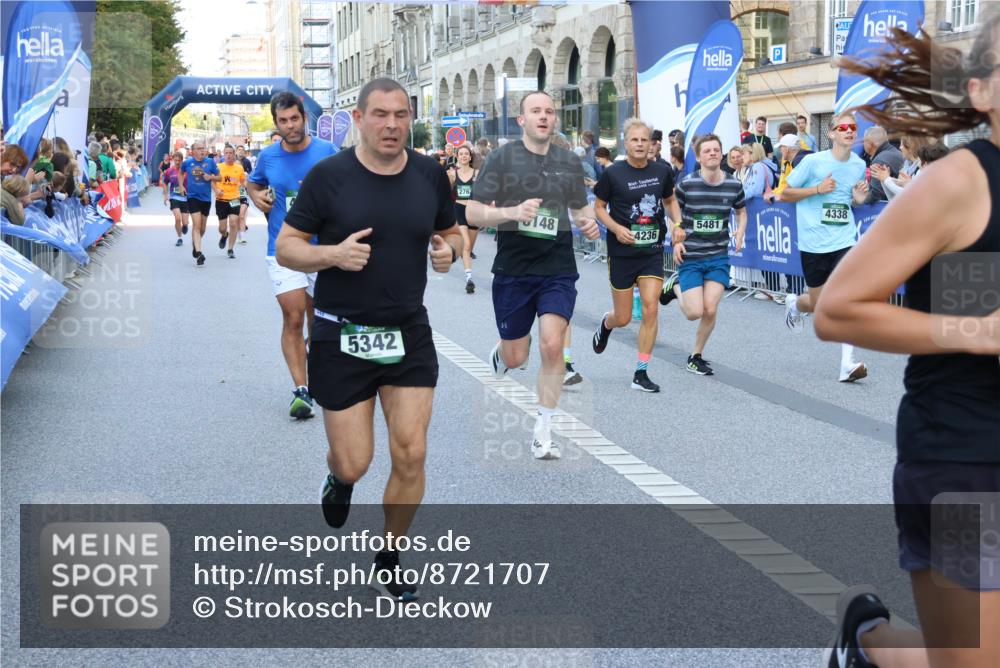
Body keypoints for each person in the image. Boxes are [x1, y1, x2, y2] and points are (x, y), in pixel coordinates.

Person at [814, 13, 1000, 668]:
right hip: (967, 459)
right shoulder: (962, 184)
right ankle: (867, 639)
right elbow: (837, 310)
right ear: (981, 93)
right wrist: (975, 331)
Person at [276, 78, 462, 601]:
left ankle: (390, 552)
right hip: (342, 334)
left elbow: (450, 233)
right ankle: (339, 478)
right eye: (380, 114)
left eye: (401, 115)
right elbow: (288, 248)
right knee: (355, 460)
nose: (391, 125)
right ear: (358, 119)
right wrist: (331, 255)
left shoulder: (428, 173)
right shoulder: (329, 177)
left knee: (412, 452)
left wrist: (448, 251)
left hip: (407, 332)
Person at [466, 90, 600, 461]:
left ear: (554, 120)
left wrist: (588, 225)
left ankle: (544, 427)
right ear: (521, 120)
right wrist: (511, 212)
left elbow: (579, 208)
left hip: (557, 268)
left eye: (549, 111)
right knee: (517, 353)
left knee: (552, 345)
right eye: (535, 111)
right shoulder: (502, 159)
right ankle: (504, 356)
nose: (544, 116)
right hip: (514, 270)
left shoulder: (568, 162)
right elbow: (474, 213)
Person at [245, 91, 338, 420]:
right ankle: (301, 390)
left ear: (304, 118)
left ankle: (314, 367)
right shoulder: (269, 157)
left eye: (294, 119)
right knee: (294, 317)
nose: (290, 125)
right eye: (283, 121)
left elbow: (348, 186)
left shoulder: (327, 152)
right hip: (282, 249)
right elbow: (252, 184)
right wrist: (257, 199)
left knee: (318, 322)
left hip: (322, 249)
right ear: (276, 123)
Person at [779, 111, 871, 382]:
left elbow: (850, 201)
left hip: (844, 240)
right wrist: (817, 189)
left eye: (853, 127)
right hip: (813, 242)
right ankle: (795, 304)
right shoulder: (813, 162)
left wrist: (858, 199)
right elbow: (784, 193)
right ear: (831, 133)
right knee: (821, 303)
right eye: (842, 127)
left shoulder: (857, 164)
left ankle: (847, 364)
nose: (849, 130)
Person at [591, 118, 681, 392]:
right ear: (625, 142)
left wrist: (677, 224)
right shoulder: (613, 173)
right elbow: (598, 207)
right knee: (624, 317)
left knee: (651, 308)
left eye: (645, 139)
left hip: (651, 251)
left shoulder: (662, 171)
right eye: (635, 140)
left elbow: (670, 200)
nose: (640, 144)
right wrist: (616, 229)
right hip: (622, 253)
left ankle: (641, 373)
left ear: (651, 143)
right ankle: (607, 324)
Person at [659, 134, 747, 375]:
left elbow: (741, 212)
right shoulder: (687, 184)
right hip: (692, 256)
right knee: (693, 312)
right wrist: (676, 240)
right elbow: (672, 214)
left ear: (722, 154)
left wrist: (740, 232)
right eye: (707, 150)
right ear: (698, 157)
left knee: (710, 309)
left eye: (716, 150)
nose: (712, 153)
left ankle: (695, 356)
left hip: (718, 256)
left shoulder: (733, 185)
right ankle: (674, 286)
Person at [179, 142, 220, 266]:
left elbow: (220, 177)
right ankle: (199, 253)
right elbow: (180, 173)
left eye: (203, 148)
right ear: (193, 151)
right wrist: (181, 186)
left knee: (202, 228)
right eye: (199, 148)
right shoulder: (187, 163)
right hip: (193, 197)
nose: (202, 150)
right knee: (196, 225)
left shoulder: (211, 162)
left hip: (206, 199)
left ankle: (195, 245)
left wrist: (210, 177)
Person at [448, 143, 479, 293]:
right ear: (457, 156)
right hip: (459, 210)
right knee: (466, 245)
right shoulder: (452, 173)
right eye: (461, 154)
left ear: (470, 156)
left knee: (469, 248)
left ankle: (465, 263)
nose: (464, 156)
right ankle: (469, 279)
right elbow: (445, 193)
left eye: (466, 154)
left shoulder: (477, 173)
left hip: (473, 212)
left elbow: (485, 191)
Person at [214, 146, 246, 259]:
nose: (228, 155)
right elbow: (212, 181)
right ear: (223, 154)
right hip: (221, 200)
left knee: (233, 222)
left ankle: (230, 248)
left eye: (231, 153)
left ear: (234, 155)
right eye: (226, 153)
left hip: (234, 199)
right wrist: (216, 190)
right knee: (222, 228)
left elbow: (243, 182)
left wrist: (245, 191)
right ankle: (224, 235)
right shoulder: (218, 167)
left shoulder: (239, 168)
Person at [862, 125, 904, 203]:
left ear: (869, 143)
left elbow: (875, 195)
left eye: (863, 141)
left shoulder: (880, 161)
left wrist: (857, 200)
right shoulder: (894, 152)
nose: (863, 144)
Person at [161, 151, 189, 246]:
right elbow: (164, 182)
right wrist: (165, 195)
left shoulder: (186, 171)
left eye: (179, 160)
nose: (177, 162)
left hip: (186, 198)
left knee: (185, 222)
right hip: (174, 197)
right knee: (178, 218)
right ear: (173, 160)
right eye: (175, 160)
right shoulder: (170, 171)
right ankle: (179, 237)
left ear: (182, 161)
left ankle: (185, 225)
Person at [236, 146, 253, 244]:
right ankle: (238, 231)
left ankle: (242, 236)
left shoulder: (245, 174)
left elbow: (248, 184)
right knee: (236, 217)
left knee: (241, 215)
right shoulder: (231, 174)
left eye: (240, 166)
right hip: (233, 197)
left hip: (243, 195)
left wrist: (244, 182)